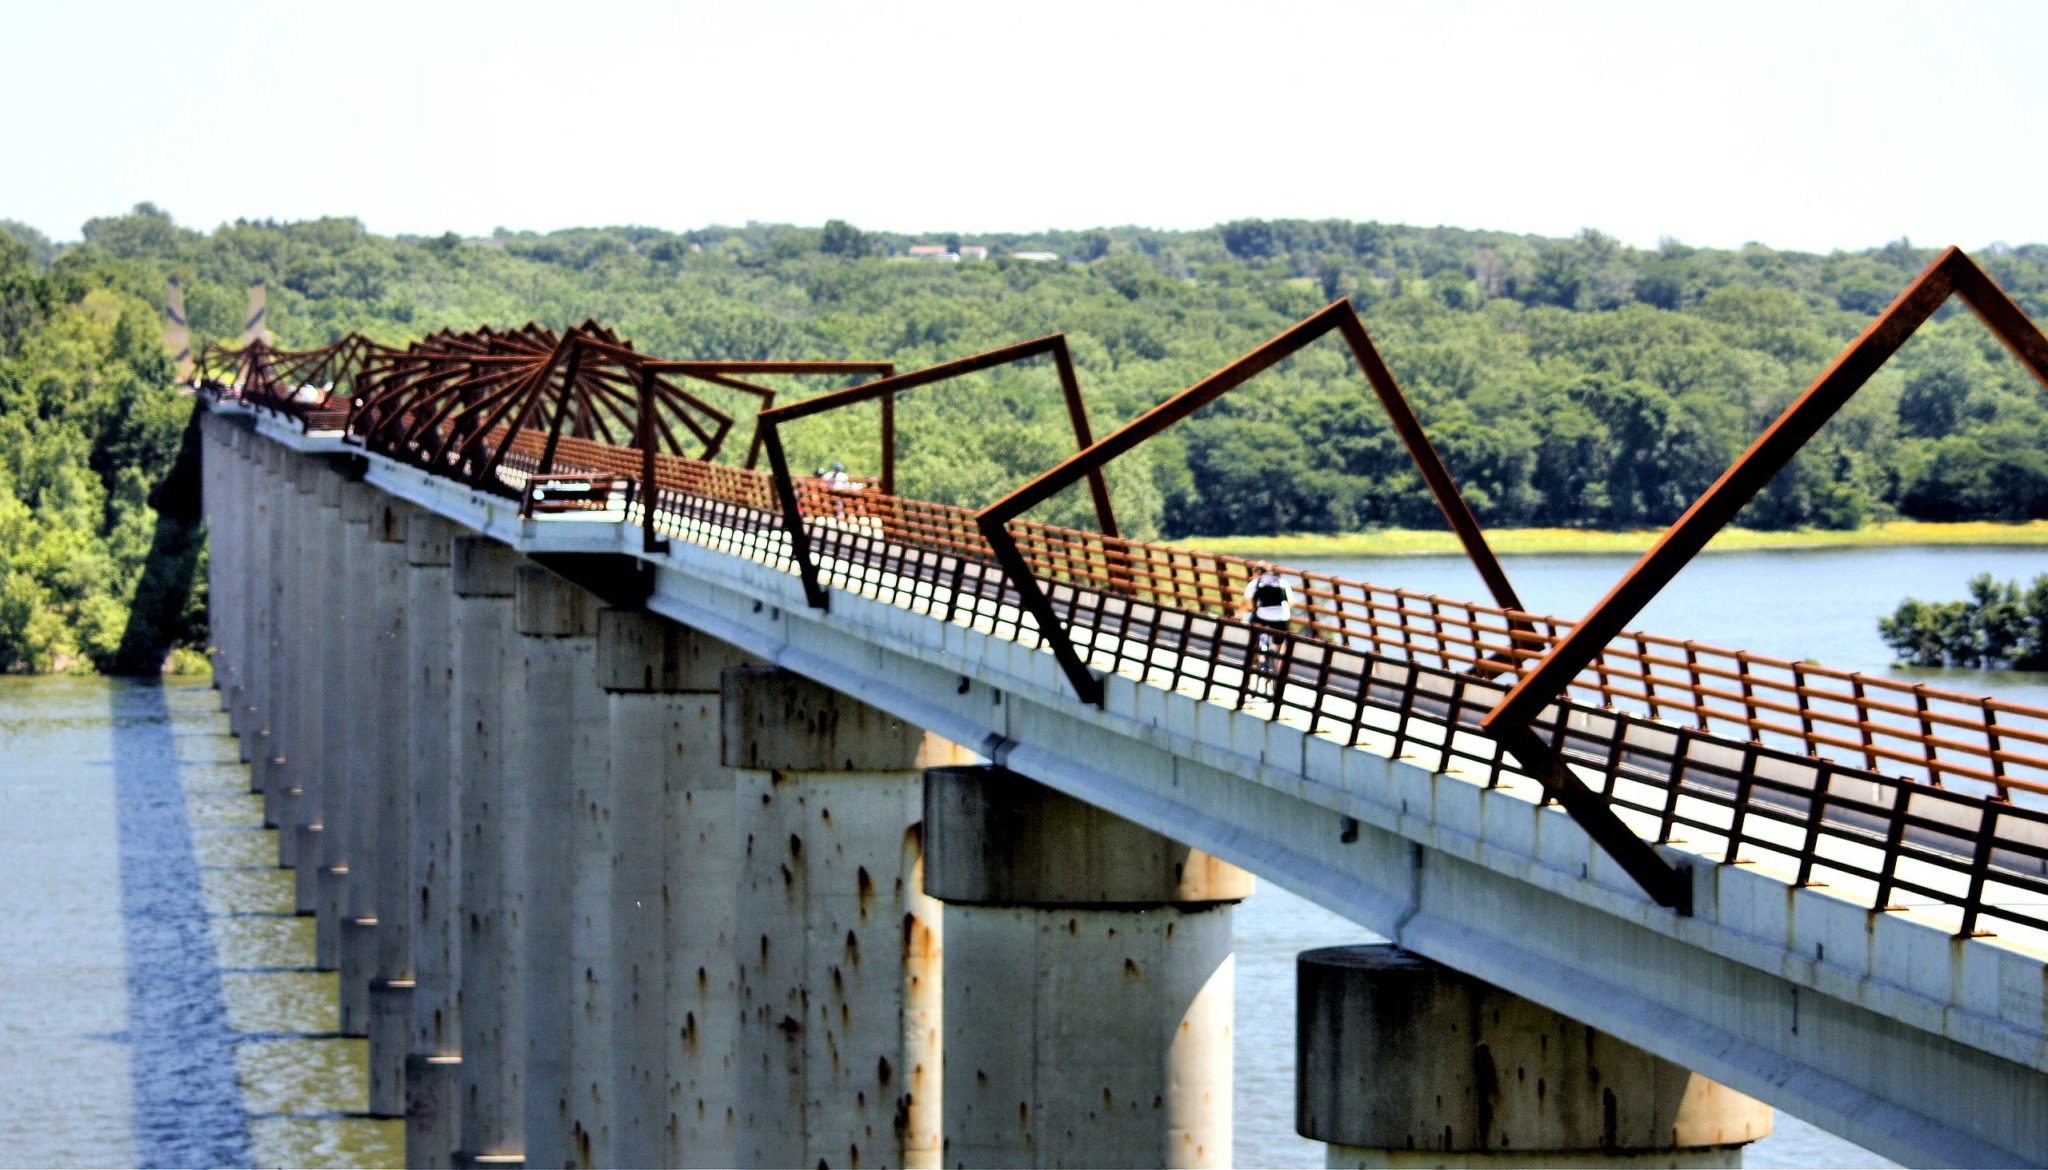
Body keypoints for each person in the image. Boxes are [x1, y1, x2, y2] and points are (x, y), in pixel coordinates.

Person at [1241, 564, 1293, 678]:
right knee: (1281, 643)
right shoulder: (1281, 582)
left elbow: (1245, 602)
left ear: (1257, 572)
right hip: (1282, 617)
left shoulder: (1255, 583)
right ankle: (1279, 668)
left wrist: (1240, 615)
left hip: (1262, 617)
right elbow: (1291, 602)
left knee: (1252, 631)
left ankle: (1254, 656)